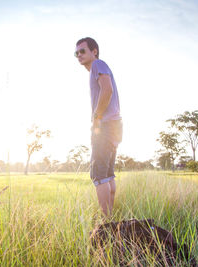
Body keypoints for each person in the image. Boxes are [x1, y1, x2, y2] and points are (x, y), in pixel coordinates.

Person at [75, 37, 122, 217]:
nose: (79, 55)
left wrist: (97, 117)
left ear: (94, 51)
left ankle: (106, 221)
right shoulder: (97, 68)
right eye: (76, 53)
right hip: (115, 125)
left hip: (105, 125)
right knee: (108, 174)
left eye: (82, 51)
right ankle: (110, 217)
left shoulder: (97, 64)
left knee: (98, 174)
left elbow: (107, 89)